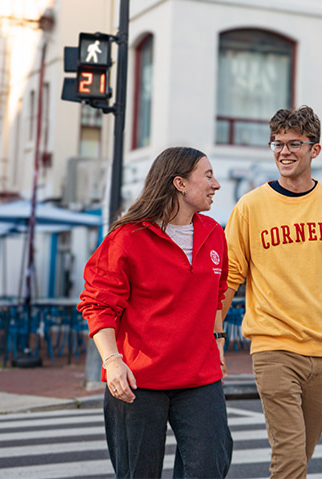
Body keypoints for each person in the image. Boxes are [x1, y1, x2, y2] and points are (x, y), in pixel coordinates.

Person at [78, 147, 233, 479]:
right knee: (138, 474)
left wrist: (218, 341)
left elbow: (216, 296)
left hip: (200, 377)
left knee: (210, 466)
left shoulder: (214, 234)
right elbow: (98, 304)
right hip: (137, 379)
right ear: (179, 183)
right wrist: (112, 361)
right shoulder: (128, 238)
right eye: (207, 176)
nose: (215, 184)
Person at [222, 105, 322, 479]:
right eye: (277, 143)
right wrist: (215, 334)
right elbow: (231, 275)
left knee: (302, 451)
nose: (284, 151)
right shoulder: (250, 206)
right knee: (289, 456)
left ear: (314, 149)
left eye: (294, 143)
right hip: (274, 347)